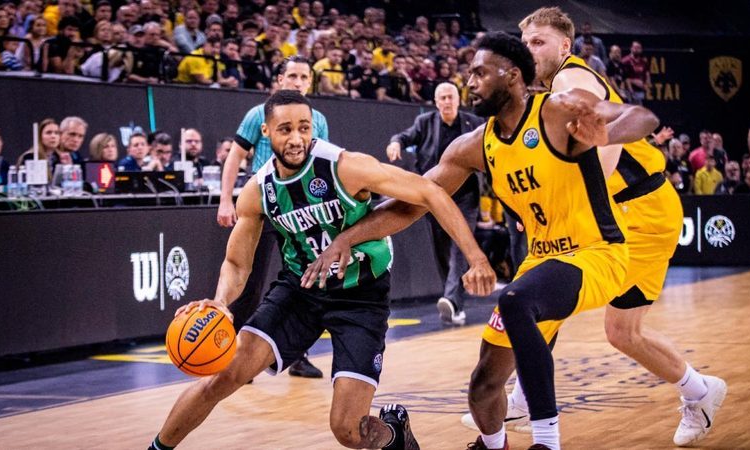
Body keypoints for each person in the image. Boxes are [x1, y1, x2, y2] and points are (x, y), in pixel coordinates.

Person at [301, 31, 660, 450]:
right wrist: (348, 236)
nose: (470, 81)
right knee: (483, 387)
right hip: (542, 261)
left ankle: (547, 441)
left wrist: (608, 135)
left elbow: (642, 116)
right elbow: (414, 202)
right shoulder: (475, 145)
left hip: (599, 252)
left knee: (515, 300)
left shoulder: (558, 110)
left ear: (511, 76)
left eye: (479, 73)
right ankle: (495, 446)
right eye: (468, 73)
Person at [147, 89, 495, 450]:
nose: (296, 138)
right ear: (266, 133)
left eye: (304, 127)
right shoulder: (257, 190)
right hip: (299, 292)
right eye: (285, 129)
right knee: (221, 377)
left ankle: (395, 430)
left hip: (361, 296)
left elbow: (429, 192)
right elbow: (237, 262)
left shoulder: (344, 166)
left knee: (348, 430)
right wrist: (221, 302)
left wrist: (478, 258)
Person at [491, 8, 725, 448]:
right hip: (640, 211)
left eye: (538, 42)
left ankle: (522, 399)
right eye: (525, 44)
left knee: (548, 279)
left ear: (564, 46)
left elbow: (604, 143)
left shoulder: (569, 80)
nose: (529, 51)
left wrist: (579, 202)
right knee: (623, 332)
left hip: (638, 210)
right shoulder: (545, 97)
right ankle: (700, 391)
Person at [217, 55, 329, 378]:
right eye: (292, 75)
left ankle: (298, 355)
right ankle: (234, 354)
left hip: (302, 207)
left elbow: (322, 164)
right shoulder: (258, 114)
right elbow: (235, 155)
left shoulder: (318, 119)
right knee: (249, 281)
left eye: (304, 77)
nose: (297, 82)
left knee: (306, 279)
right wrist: (227, 199)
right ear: (279, 79)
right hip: (264, 204)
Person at [385, 82, 485, 325]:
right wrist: (395, 143)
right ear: (436, 102)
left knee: (460, 247)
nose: (447, 102)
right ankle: (454, 304)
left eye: (450, 97)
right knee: (442, 250)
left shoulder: (473, 124)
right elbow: (404, 136)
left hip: (466, 197)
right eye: (442, 98)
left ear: (458, 100)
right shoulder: (425, 123)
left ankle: (450, 298)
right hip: (434, 196)